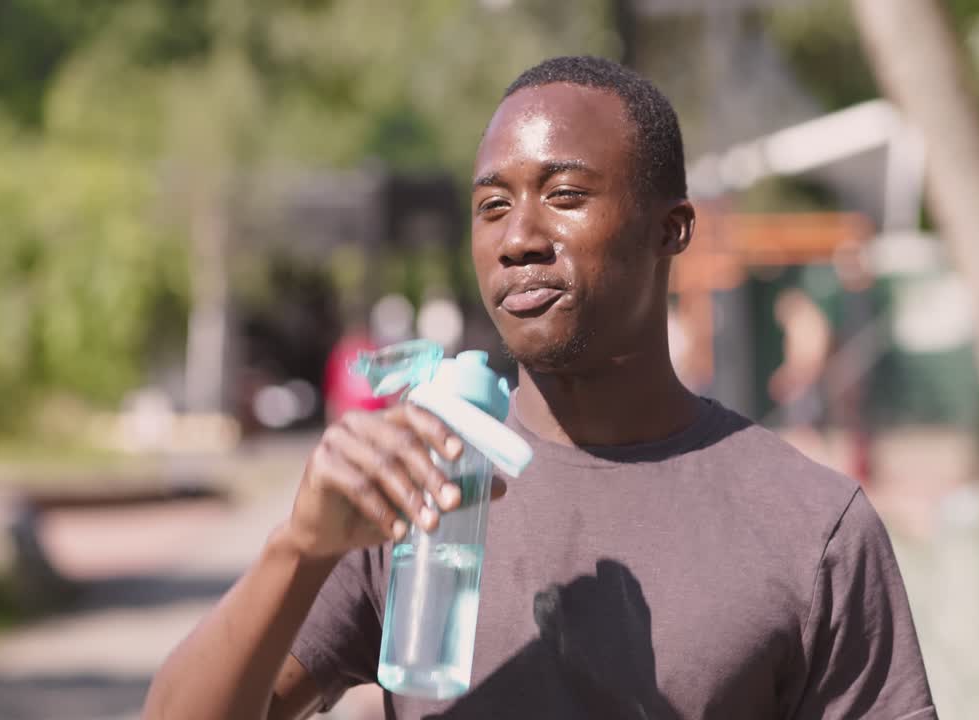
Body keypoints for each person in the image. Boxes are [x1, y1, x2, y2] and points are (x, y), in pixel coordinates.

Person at [143, 56, 937, 720]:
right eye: (493, 206)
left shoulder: (811, 529)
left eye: (564, 197)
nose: (518, 238)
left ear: (672, 229)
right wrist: (299, 550)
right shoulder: (418, 486)